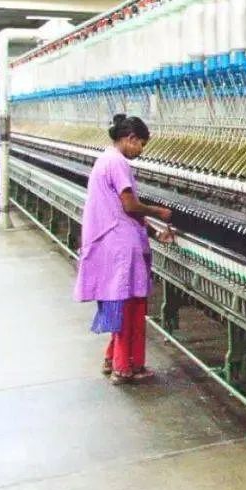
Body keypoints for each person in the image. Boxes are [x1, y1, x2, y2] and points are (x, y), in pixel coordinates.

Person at [75, 114, 174, 385]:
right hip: (120, 246)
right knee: (130, 308)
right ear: (130, 138)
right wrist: (159, 212)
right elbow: (129, 206)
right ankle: (126, 367)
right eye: (141, 144)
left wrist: (154, 232)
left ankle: (112, 359)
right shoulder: (117, 163)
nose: (141, 150)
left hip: (115, 241)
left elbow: (122, 210)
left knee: (120, 305)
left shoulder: (105, 159)